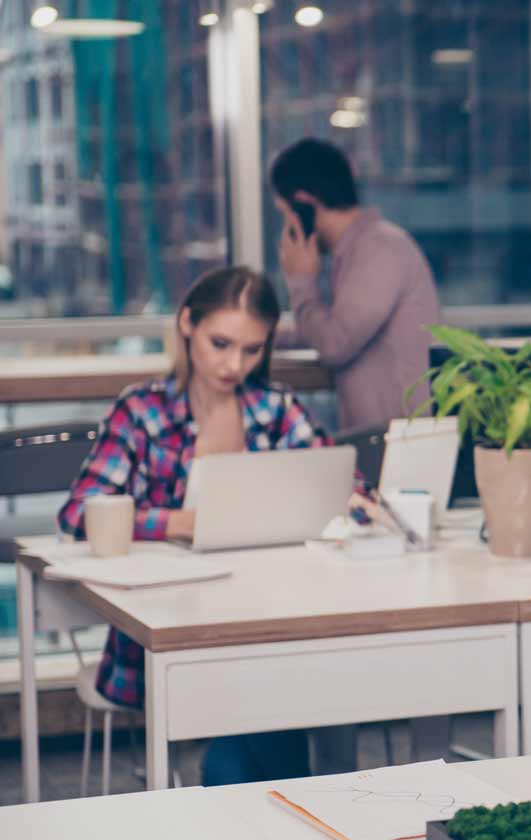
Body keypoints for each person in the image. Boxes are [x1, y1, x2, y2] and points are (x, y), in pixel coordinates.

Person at [58, 266, 337, 785]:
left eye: (252, 350)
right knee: (272, 698)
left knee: (269, 684)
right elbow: (79, 513)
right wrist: (181, 522)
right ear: (187, 323)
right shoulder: (142, 411)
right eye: (221, 343)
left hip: (269, 620)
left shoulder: (274, 409)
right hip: (168, 633)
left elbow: (336, 485)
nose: (235, 364)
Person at [272, 137, 441, 431]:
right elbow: (331, 327)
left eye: (285, 214)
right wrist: (264, 336)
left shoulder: (379, 249)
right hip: (386, 439)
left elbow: (335, 342)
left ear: (303, 204)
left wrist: (300, 281)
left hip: (402, 444)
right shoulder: (354, 253)